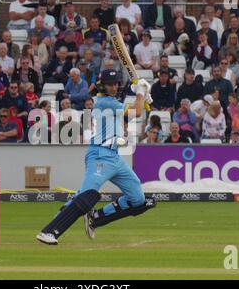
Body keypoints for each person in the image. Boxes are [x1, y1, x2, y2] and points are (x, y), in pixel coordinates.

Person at [36, 69, 156, 245]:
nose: (113, 87)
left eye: (115, 84)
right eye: (109, 84)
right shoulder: (103, 101)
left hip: (114, 157)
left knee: (139, 200)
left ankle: (96, 218)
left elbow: (126, 119)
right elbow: (136, 112)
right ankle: (49, 231)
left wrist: (143, 98)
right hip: (99, 155)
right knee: (86, 196)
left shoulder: (113, 103)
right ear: (103, 85)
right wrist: (140, 92)